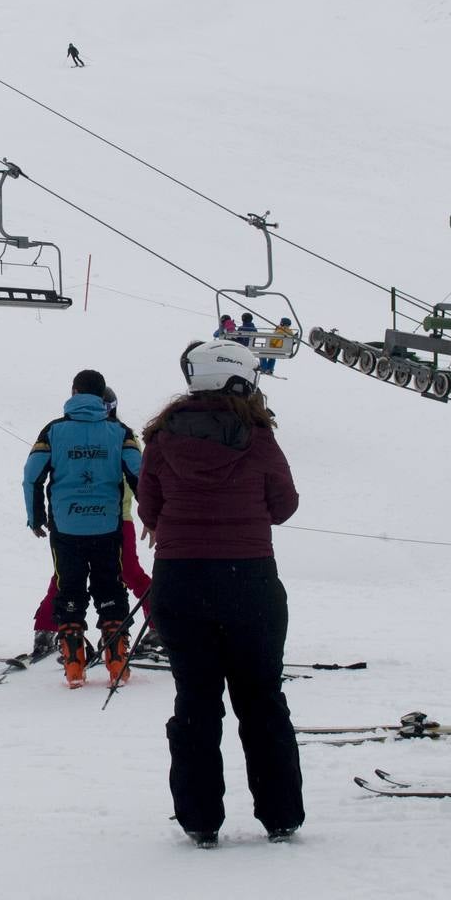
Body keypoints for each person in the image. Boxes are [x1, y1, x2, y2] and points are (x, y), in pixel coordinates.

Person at [138, 339, 303, 846]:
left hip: (179, 579)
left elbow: (148, 508)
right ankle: (279, 815)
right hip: (249, 579)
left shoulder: (162, 438)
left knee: (196, 699)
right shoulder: (257, 437)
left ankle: (200, 819)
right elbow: (284, 504)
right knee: (261, 697)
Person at [24, 369, 142, 686]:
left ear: (74, 392)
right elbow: (139, 474)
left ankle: (75, 663)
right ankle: (117, 661)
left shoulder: (53, 431)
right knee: (110, 587)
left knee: (69, 589)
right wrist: (154, 516)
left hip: (66, 525)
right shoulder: (120, 431)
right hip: (107, 524)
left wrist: (35, 516)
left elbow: (32, 475)